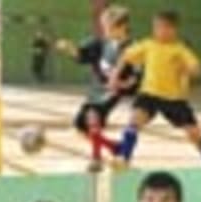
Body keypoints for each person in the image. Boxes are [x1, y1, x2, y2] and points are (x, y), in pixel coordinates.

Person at [111, 10, 201, 167]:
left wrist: (193, 70)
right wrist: (115, 76)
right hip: (149, 94)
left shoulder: (180, 49)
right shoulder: (148, 45)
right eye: (156, 27)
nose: (160, 31)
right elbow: (126, 56)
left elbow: (195, 67)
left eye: (164, 27)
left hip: (174, 99)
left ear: (173, 29)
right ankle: (124, 158)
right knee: (134, 122)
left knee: (194, 135)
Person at [54, 5, 138, 169]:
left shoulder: (133, 48)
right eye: (103, 26)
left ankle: (96, 159)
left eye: (108, 26)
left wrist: (124, 84)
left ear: (122, 27)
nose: (105, 30)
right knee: (80, 127)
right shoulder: (101, 44)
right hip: (96, 90)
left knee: (93, 116)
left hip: (112, 92)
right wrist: (69, 48)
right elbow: (81, 54)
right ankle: (114, 147)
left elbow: (137, 74)